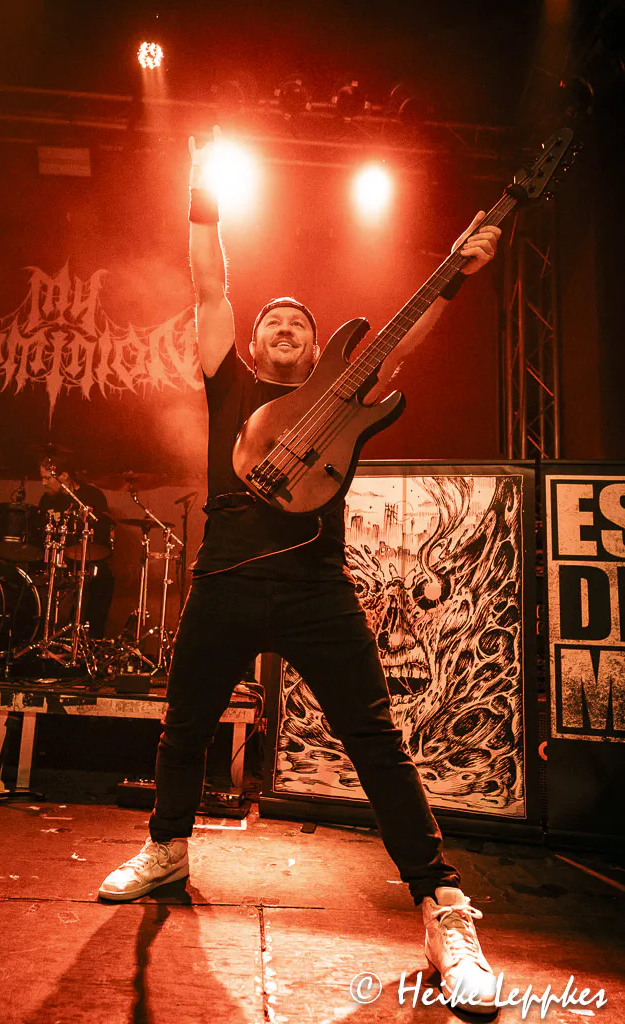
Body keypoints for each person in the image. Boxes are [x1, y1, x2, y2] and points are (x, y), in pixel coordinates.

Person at [99, 128, 502, 1014]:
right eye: (271, 323)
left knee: (375, 740)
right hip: (225, 577)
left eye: (299, 325)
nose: (284, 328)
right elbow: (209, 283)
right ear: (253, 343)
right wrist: (202, 193)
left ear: (322, 351)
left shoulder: (347, 401)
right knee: (184, 727)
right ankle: (167, 847)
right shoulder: (229, 386)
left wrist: (458, 270)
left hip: (318, 585)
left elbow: (405, 338)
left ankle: (440, 905)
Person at [38, 458, 115, 639]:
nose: (43, 483)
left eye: (48, 478)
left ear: (64, 476)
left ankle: (90, 641)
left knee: (104, 580)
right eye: (42, 478)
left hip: (87, 561)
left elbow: (105, 529)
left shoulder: (92, 495)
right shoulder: (46, 500)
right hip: (56, 564)